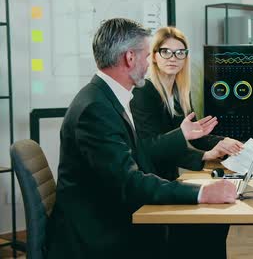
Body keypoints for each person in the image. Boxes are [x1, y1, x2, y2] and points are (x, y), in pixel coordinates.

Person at [46, 18, 237, 259]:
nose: (149, 64)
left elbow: (138, 159)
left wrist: (189, 184)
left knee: (208, 226)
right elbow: (129, 183)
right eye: (147, 56)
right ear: (130, 58)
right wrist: (201, 193)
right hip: (100, 232)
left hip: (109, 212)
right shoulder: (95, 110)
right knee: (204, 230)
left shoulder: (105, 99)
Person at [130, 26, 244, 257]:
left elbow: (194, 133)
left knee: (217, 222)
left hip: (168, 175)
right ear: (153, 56)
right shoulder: (144, 92)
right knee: (209, 225)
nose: (174, 58)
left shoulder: (179, 92)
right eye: (166, 52)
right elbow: (148, 148)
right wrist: (202, 156)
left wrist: (223, 142)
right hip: (153, 181)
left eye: (180, 52)